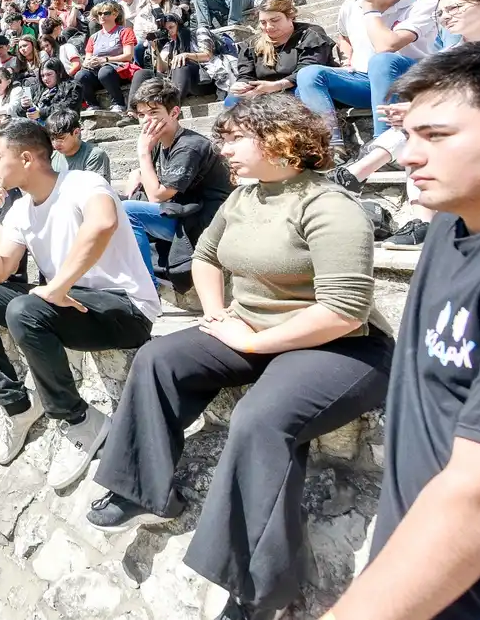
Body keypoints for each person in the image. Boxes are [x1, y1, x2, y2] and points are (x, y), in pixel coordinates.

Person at [89, 94, 392, 620]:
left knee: (261, 418)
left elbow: (343, 310)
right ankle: (140, 489)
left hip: (340, 345)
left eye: (234, 138)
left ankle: (257, 589)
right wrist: (216, 316)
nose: (223, 148)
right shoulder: (243, 198)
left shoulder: (328, 205)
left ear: (281, 140)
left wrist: (251, 342)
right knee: (159, 359)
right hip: (257, 329)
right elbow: (206, 257)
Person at [326, 42, 480, 620]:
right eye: (407, 135)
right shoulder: (452, 223)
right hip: (427, 571)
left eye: (436, 136)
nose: (409, 156)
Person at [0, 119, 159, 486]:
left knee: (24, 309)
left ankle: (78, 419)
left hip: (123, 306)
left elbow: (103, 224)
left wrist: (58, 286)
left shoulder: (83, 183)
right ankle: (17, 406)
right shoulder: (18, 210)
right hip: (70, 302)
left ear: (28, 158)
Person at [328, 0, 480, 249]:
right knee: (419, 125)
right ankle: (420, 220)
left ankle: (356, 173)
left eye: (455, 8)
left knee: (425, 119)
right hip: (463, 127)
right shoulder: (449, 54)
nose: (447, 17)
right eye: (441, 14)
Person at [294, 0, 438, 159]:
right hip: (368, 81)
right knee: (308, 75)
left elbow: (386, 46)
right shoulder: (351, 4)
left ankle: (385, 142)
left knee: (383, 61)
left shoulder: (425, 1)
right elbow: (344, 36)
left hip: (414, 80)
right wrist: (347, 57)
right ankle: (332, 149)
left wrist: (371, 9)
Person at [121, 78, 231, 282]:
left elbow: (156, 196)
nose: (146, 121)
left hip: (205, 219)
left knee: (127, 211)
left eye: (154, 113)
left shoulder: (189, 146)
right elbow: (142, 177)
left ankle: (147, 287)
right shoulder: (159, 141)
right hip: (180, 209)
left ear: (174, 112)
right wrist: (136, 173)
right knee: (109, 204)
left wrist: (143, 152)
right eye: (141, 115)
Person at [226, 0, 334, 108]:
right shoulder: (251, 44)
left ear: (290, 17)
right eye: (263, 22)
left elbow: (308, 71)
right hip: (265, 91)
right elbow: (246, 75)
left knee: (302, 91)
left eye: (275, 20)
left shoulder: (310, 34)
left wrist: (276, 86)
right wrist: (241, 85)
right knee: (233, 99)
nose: (269, 27)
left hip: (299, 86)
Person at [76, 2, 138, 113]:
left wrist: (105, 60)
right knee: (81, 75)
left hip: (118, 71)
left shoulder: (124, 31)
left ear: (115, 14)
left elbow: (128, 56)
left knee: (105, 72)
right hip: (98, 71)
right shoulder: (94, 37)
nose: (102, 16)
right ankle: (92, 104)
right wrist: (89, 63)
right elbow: (86, 60)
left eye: (106, 13)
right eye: (99, 14)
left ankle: (118, 103)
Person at [45, 108, 111, 180]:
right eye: (52, 139)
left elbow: (94, 188)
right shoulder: (52, 158)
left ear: (76, 132)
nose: (55, 144)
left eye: (61, 138)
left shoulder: (93, 156)